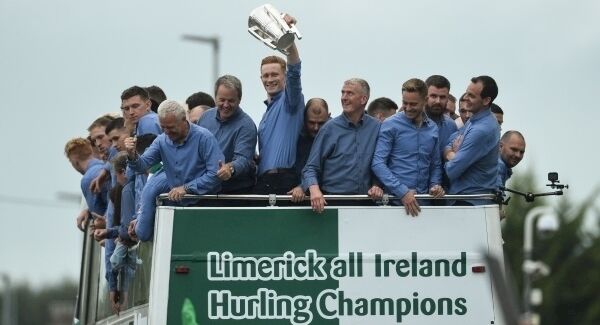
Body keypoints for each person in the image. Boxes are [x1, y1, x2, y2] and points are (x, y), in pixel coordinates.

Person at [125, 100, 223, 240]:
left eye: (171, 127)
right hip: (177, 210)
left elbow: (215, 174)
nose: (167, 132)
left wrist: (186, 188)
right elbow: (143, 166)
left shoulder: (204, 137)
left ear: (184, 120)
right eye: (163, 127)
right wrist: (132, 154)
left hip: (205, 208)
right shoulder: (161, 140)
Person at [302, 78, 382, 213]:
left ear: (363, 99)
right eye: (342, 93)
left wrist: (377, 185)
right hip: (334, 202)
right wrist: (314, 189)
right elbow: (310, 168)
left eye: (349, 93)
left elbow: (381, 162)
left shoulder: (376, 127)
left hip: (367, 203)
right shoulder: (328, 129)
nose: (343, 98)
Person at [372, 78, 445, 217]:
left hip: (424, 205)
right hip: (395, 204)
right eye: (405, 103)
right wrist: (402, 192)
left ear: (425, 100)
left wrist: (435, 186)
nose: (408, 108)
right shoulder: (390, 124)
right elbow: (378, 163)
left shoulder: (433, 129)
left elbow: (435, 164)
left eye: (413, 104)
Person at [254, 13, 305, 195]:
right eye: (266, 75)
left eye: (275, 74)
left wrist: (288, 40)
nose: (270, 79)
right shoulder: (266, 113)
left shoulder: (291, 101)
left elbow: (294, 70)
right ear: (261, 79)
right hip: (263, 182)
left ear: (284, 76)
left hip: (285, 181)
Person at [444, 76, 500, 205]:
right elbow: (449, 142)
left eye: (472, 96)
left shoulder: (481, 129)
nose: (466, 99)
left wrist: (452, 155)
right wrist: (451, 153)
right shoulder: (475, 119)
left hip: (470, 202)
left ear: (486, 100)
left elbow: (452, 170)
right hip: (466, 199)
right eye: (467, 93)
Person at [197, 75, 257, 195]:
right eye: (222, 100)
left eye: (231, 100)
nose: (225, 105)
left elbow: (244, 160)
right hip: (206, 189)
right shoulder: (205, 117)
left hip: (234, 193)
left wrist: (230, 168)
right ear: (215, 98)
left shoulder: (247, 126)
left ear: (239, 100)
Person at [287, 98, 330, 202]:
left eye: (321, 123)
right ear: (304, 118)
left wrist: (303, 186)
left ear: (329, 117)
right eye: (311, 122)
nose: (316, 128)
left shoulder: (334, 135)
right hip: (294, 193)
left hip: (324, 194)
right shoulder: (295, 135)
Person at [65, 137, 109, 226]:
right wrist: (88, 211)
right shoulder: (106, 167)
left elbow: (98, 214)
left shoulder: (87, 179)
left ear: (74, 160)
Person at [425, 75, 458, 160]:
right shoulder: (408, 121)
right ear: (425, 96)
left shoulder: (451, 126)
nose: (438, 101)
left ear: (447, 98)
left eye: (442, 97)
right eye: (433, 96)